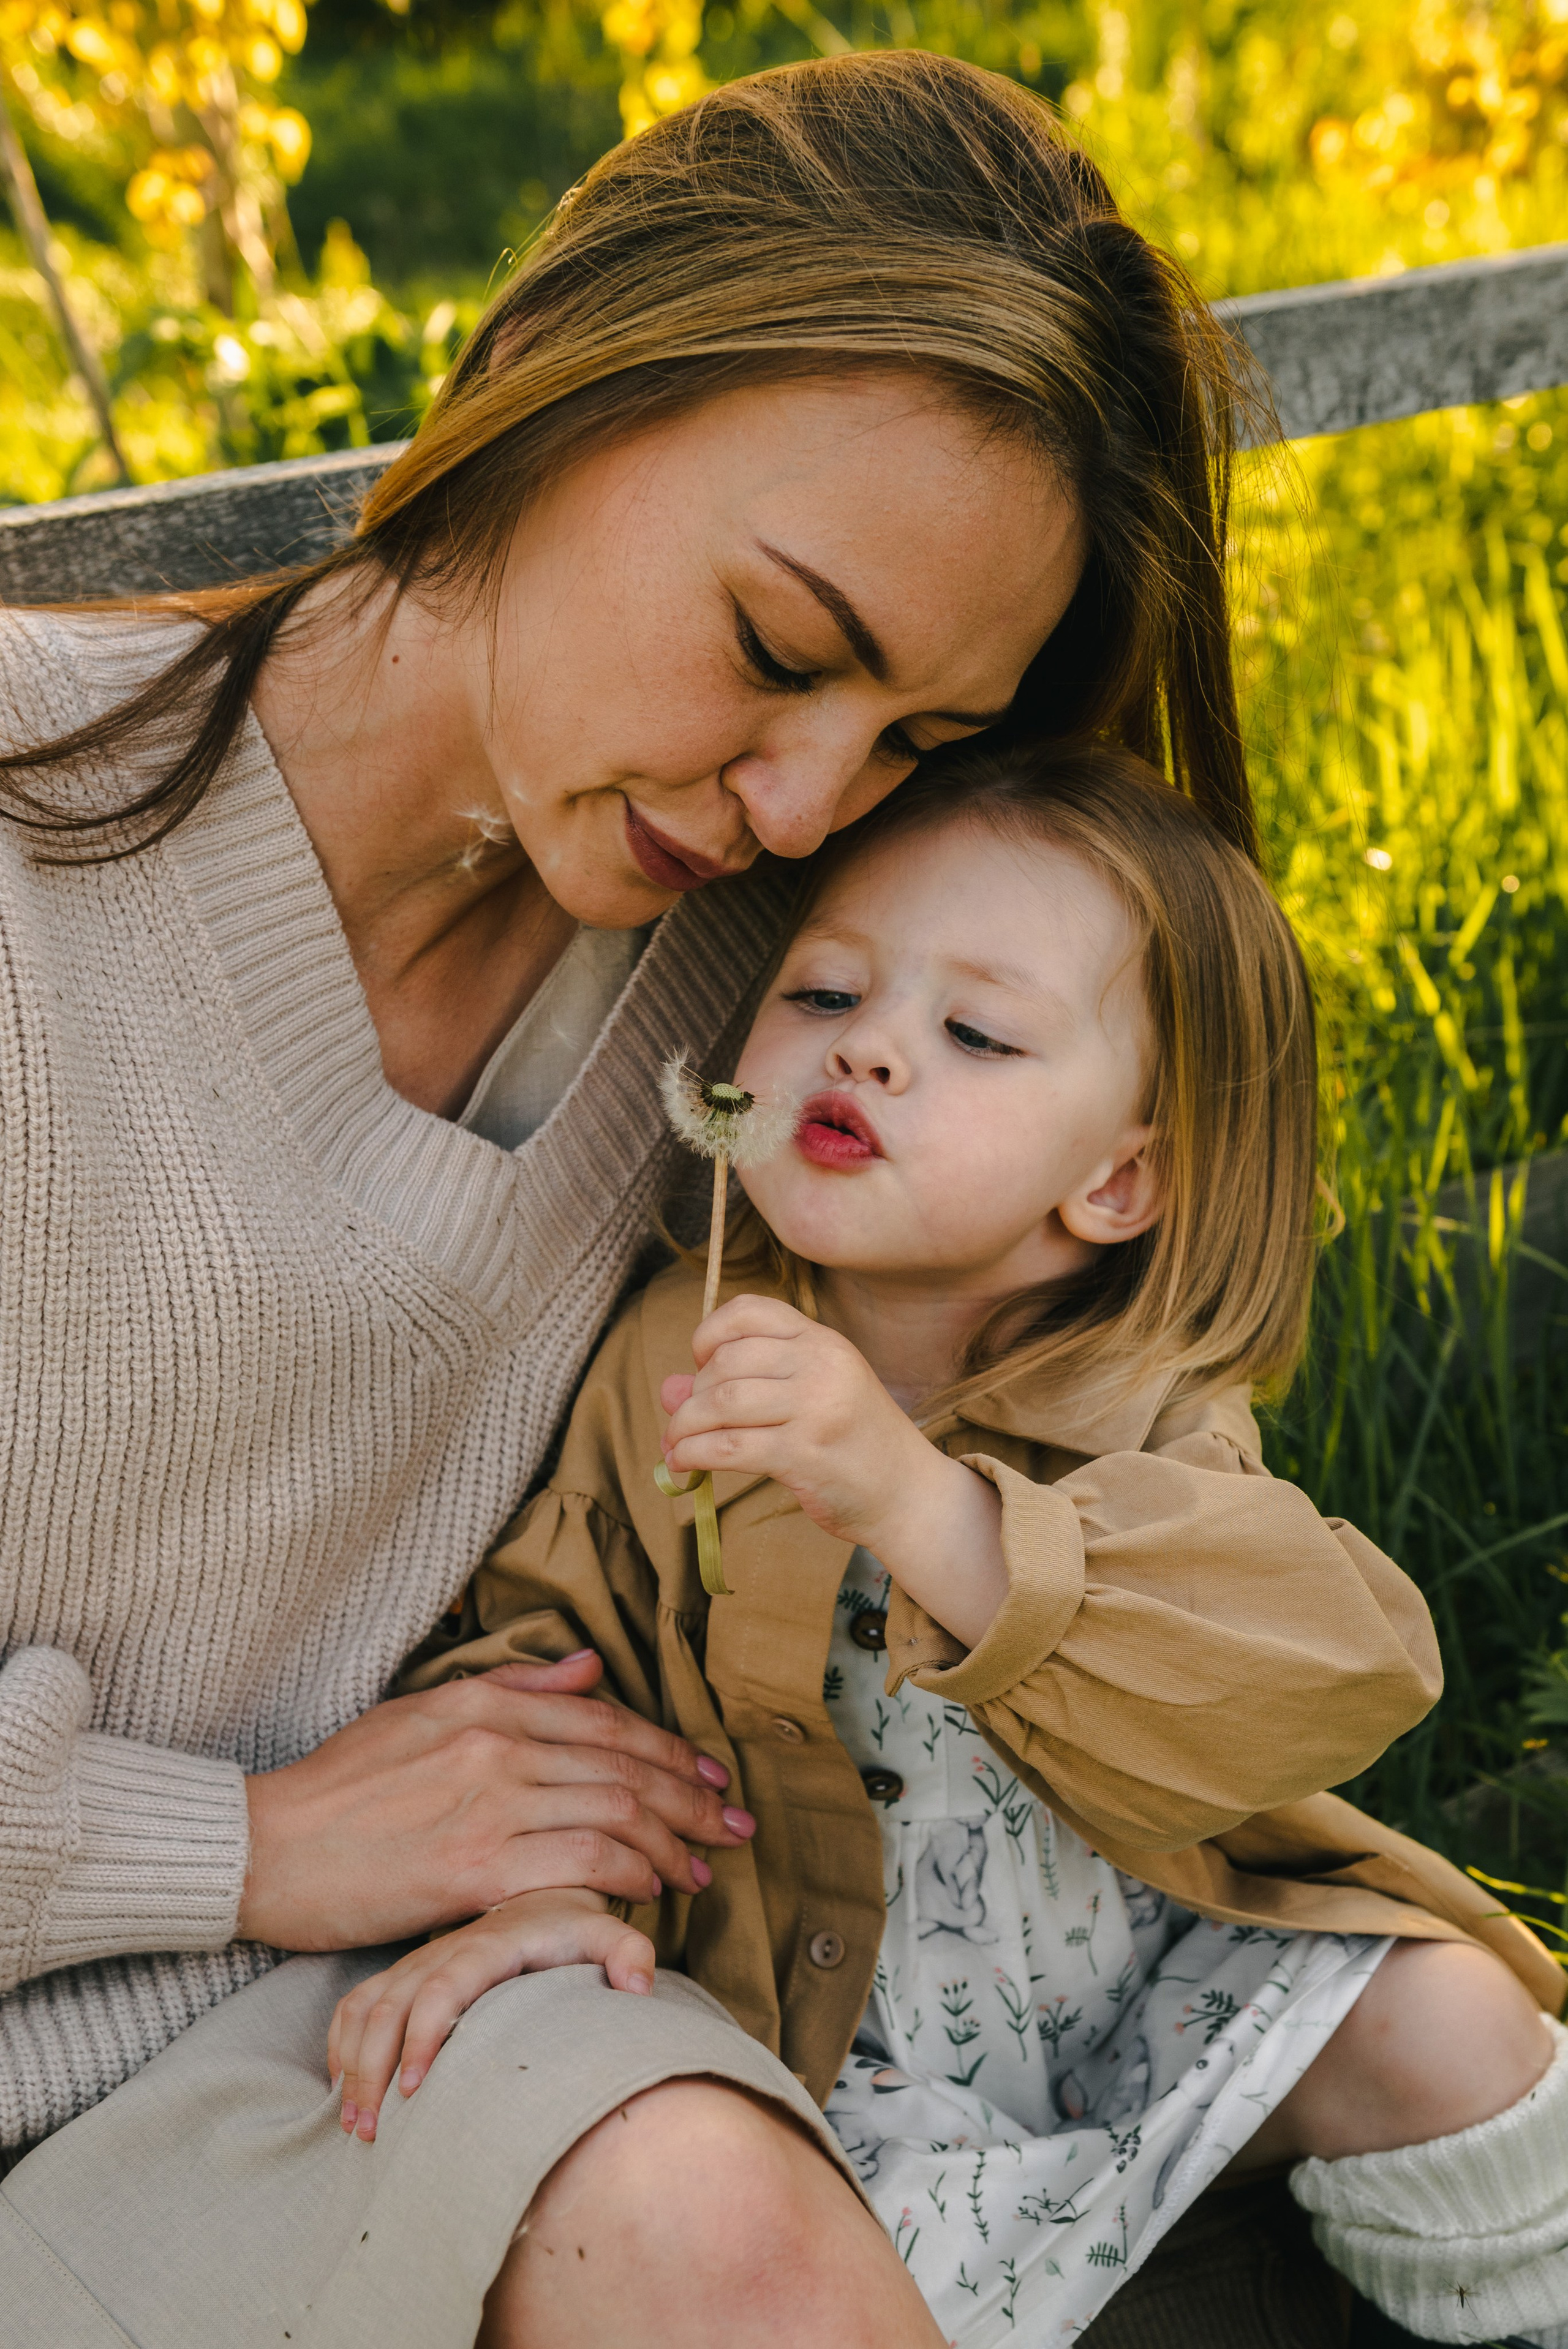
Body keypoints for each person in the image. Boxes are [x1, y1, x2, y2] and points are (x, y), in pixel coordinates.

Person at [0, 47, 1290, 2349]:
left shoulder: (783, 988)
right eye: (784, 651)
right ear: (548, 372)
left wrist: (601, 1881)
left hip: (359, 2022)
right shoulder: (28, 831)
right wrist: (255, 1846)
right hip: (186, 1938)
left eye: (906, 741)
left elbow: (1040, 1426)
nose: (807, 800)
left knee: (726, 2247)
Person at [346, 742, 1567, 2348]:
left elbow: (1343, 1665)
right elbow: (555, 1640)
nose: (874, 1050)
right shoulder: (684, 1347)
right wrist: (529, 1897)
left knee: (1457, 2018)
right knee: (775, 2263)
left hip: (1159, 1977)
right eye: (823, 994)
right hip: (849, 2062)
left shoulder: (1143, 1398)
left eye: (976, 1030)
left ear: (1117, 1180)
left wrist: (919, 1498)